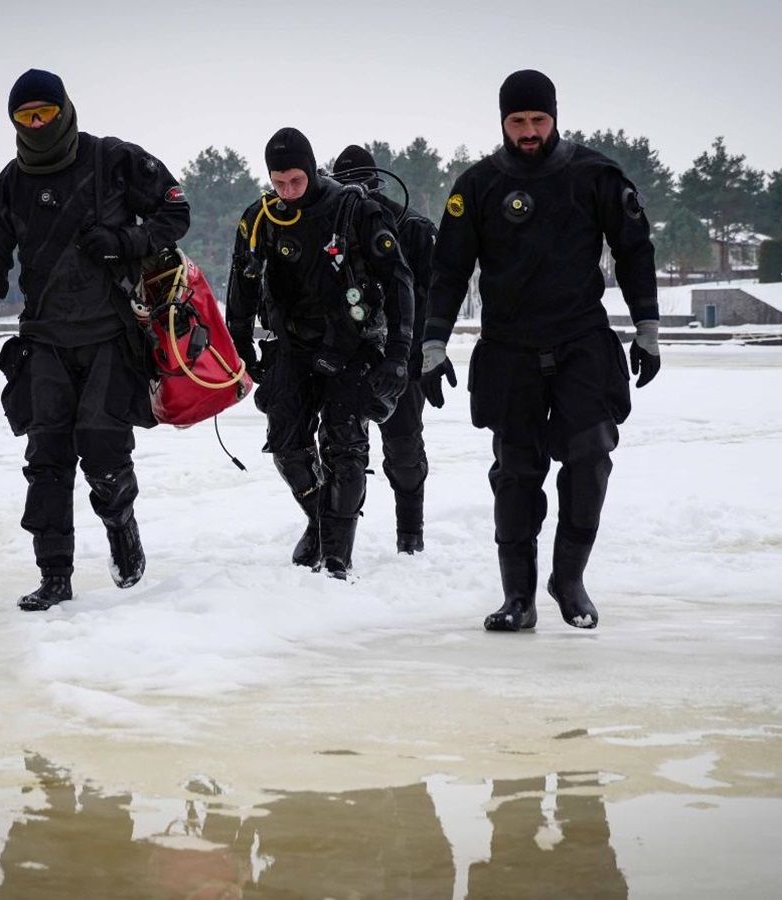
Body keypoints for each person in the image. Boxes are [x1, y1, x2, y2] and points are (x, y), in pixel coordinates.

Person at [0, 68, 190, 611]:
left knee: (103, 451)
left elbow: (176, 210)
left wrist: (127, 240)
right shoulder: (10, 184)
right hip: (45, 341)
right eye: (24, 116)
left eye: (44, 113)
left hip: (110, 336)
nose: (36, 124)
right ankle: (55, 576)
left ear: (65, 110)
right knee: (47, 461)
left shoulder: (114, 160)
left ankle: (121, 524)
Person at [421, 69, 661, 631]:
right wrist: (433, 341)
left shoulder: (595, 176)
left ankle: (569, 579)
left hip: (580, 339)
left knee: (590, 455)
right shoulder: (476, 186)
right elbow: (450, 269)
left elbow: (634, 250)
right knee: (516, 470)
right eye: (517, 121)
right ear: (502, 121)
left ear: (555, 116)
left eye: (538, 120)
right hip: (508, 346)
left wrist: (647, 327)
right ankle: (518, 598)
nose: (529, 131)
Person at [226, 127, 415, 579]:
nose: (287, 192)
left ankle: (336, 558)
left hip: (354, 344)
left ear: (311, 170)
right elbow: (242, 285)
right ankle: (319, 518)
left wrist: (398, 353)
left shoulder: (355, 212)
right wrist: (240, 345)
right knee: (287, 446)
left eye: (295, 181)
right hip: (292, 346)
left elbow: (399, 281)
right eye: (279, 183)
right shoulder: (262, 218)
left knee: (345, 448)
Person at [332, 146, 438, 554]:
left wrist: (425, 354)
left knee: (404, 448)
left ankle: (410, 535)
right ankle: (332, 541)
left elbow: (434, 296)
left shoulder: (413, 228)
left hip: (403, 354)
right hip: (346, 354)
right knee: (341, 451)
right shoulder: (330, 222)